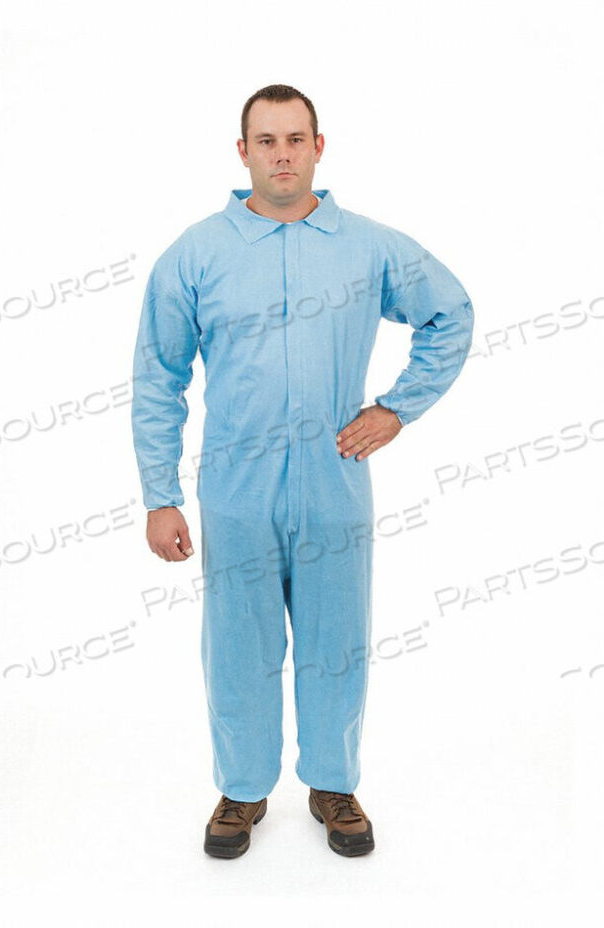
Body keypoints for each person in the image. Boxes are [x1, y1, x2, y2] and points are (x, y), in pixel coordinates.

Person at [131, 83, 474, 859]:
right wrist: (160, 495)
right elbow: (158, 377)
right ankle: (242, 788)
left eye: (295, 139)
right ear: (243, 151)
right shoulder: (197, 253)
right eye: (266, 140)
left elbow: (450, 312)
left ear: (319, 148)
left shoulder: (368, 247)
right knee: (237, 647)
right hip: (237, 491)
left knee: (336, 642)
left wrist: (397, 409)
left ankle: (333, 783)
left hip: (333, 481)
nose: (281, 155)